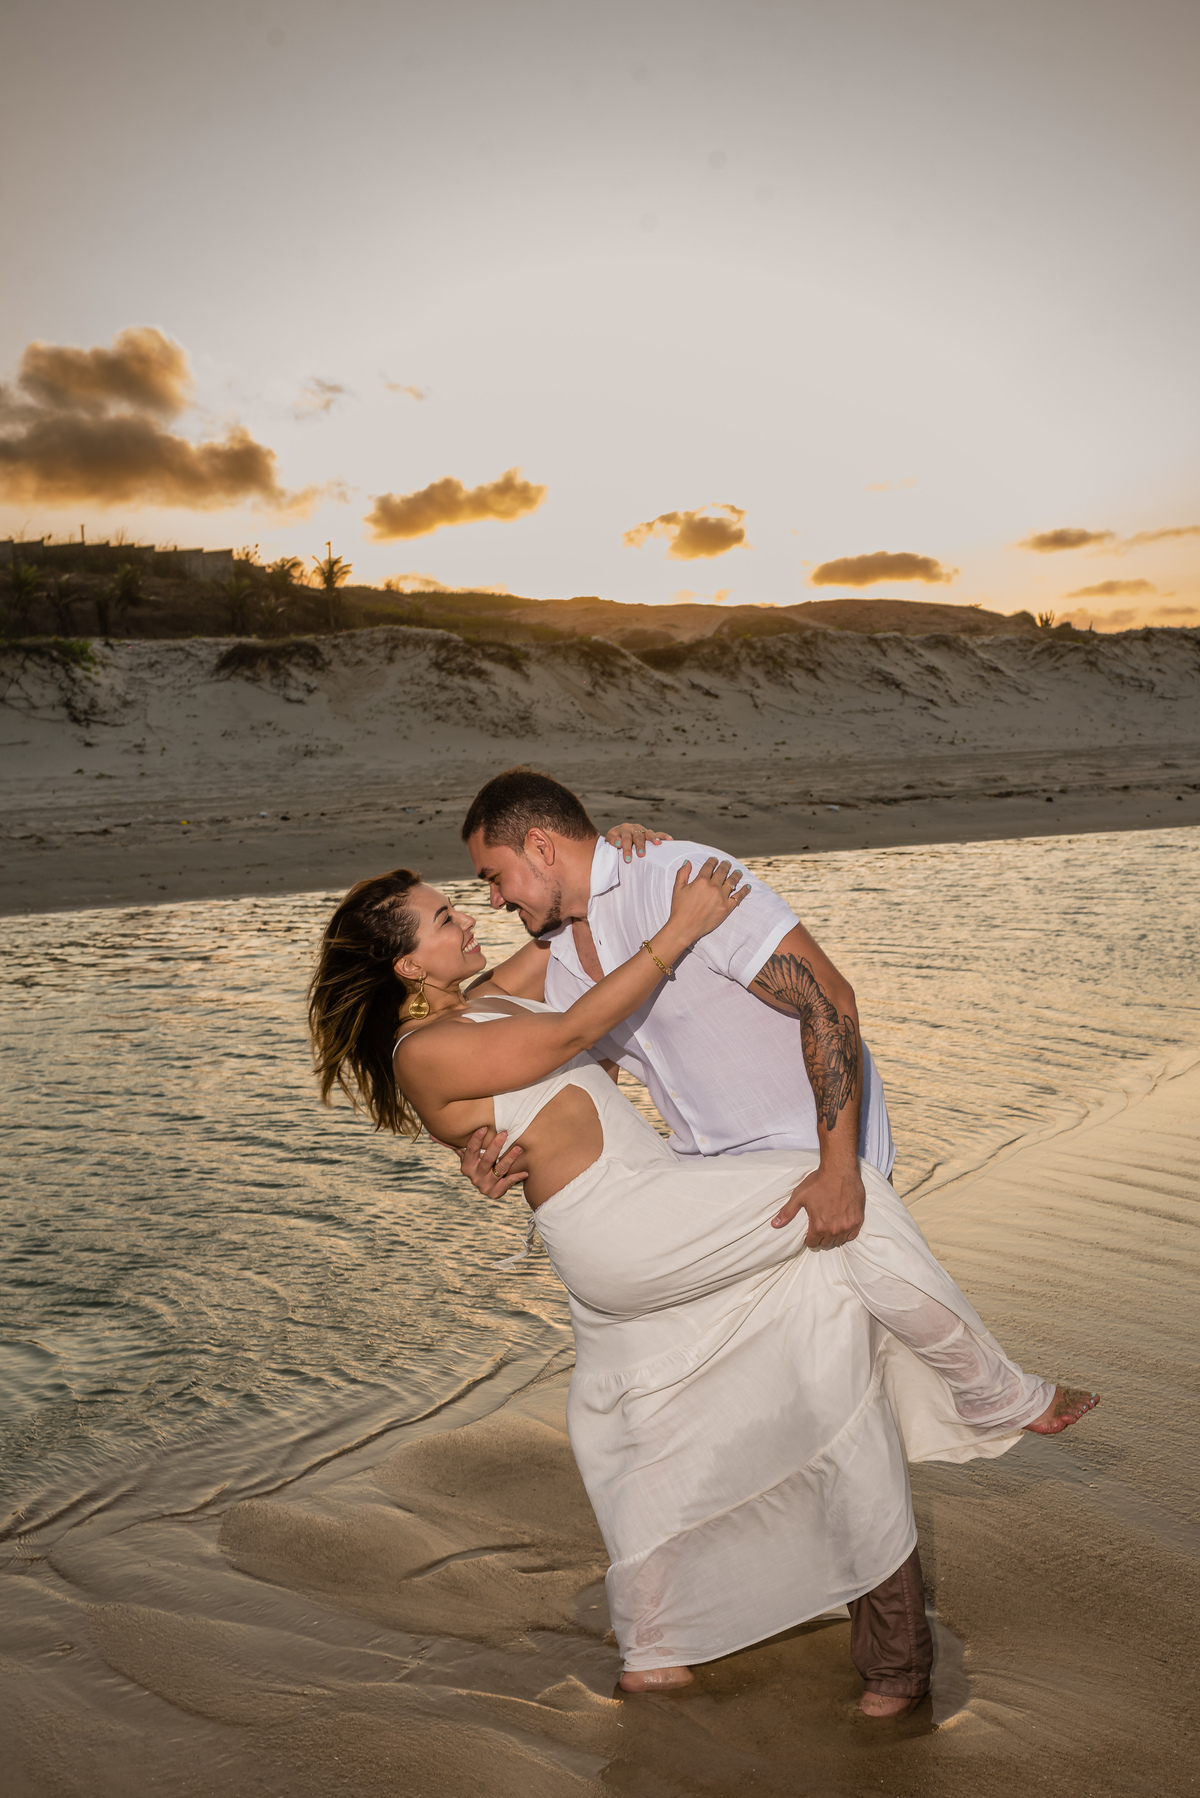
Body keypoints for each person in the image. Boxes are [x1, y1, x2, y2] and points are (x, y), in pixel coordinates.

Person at [307, 858, 1098, 1713]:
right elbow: (571, 1034)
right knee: (834, 1188)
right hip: (631, 1222)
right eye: (442, 919)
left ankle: (654, 1652)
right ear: (408, 967)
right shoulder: (423, 1050)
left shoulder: (487, 994)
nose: (468, 918)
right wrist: (680, 929)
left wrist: (628, 849)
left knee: (641, 1433)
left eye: (465, 901)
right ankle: (991, 1388)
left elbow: (575, 924)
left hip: (624, 1229)